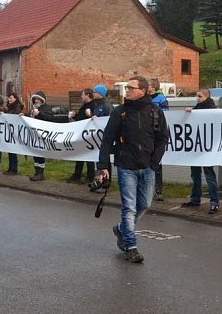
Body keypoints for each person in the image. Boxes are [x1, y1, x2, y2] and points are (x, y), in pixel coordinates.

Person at [95, 76, 167, 263]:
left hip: (148, 167)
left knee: (144, 205)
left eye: (131, 88)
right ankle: (131, 246)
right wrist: (103, 166)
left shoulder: (155, 112)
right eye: (126, 88)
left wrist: (154, 162)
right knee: (129, 208)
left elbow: (162, 139)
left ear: (142, 90)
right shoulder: (120, 112)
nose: (127, 90)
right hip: (126, 166)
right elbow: (107, 140)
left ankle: (121, 229)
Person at [182, 88, 220, 213]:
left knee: (209, 176)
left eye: (200, 96)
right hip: (196, 147)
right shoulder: (198, 108)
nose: (198, 98)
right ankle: (195, 199)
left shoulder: (210, 109)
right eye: (197, 96)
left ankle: (214, 202)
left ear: (207, 97)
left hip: (206, 149)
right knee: (195, 175)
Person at [68, 88, 96, 183]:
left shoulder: (93, 105)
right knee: (79, 154)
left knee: (89, 155)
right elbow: (81, 118)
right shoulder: (84, 105)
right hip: (81, 133)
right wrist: (75, 116)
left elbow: (95, 118)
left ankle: (90, 176)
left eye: (82, 94)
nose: (81, 96)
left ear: (87, 95)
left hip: (88, 134)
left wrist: (91, 115)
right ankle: (77, 175)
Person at [148, 78, 169, 201]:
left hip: (156, 134)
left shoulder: (161, 98)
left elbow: (166, 113)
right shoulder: (145, 98)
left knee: (157, 163)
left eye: (149, 85)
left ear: (154, 86)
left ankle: (158, 190)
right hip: (146, 134)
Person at [28, 91, 55, 181]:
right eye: (35, 99)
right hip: (34, 135)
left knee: (40, 154)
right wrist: (23, 115)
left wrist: (39, 114)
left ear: (42, 100)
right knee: (35, 154)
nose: (36, 101)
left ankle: (41, 173)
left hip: (42, 134)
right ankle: (36, 171)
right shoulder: (33, 108)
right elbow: (29, 116)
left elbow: (50, 118)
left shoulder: (47, 108)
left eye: (38, 99)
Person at [3, 93, 23, 175]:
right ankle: (10, 168)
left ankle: (14, 169)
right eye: (8, 98)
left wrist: (6, 116)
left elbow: (13, 117)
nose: (9, 99)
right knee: (10, 151)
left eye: (11, 98)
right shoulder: (10, 107)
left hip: (14, 132)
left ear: (15, 99)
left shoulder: (17, 107)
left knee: (13, 151)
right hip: (10, 131)